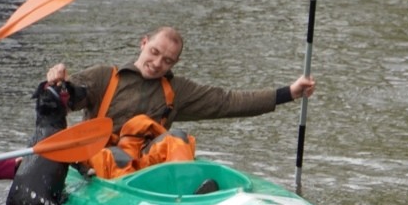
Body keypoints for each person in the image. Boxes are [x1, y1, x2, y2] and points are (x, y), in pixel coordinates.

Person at [42, 26, 315, 179]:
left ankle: (184, 193)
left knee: (179, 139)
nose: (157, 63)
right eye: (154, 52)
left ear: (176, 63)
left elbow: (228, 101)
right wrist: (57, 84)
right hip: (102, 158)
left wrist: (289, 92)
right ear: (143, 42)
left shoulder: (177, 90)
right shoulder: (104, 76)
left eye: (167, 60)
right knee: (115, 156)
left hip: (146, 165)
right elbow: (65, 99)